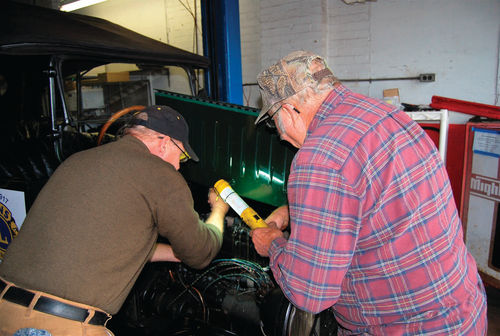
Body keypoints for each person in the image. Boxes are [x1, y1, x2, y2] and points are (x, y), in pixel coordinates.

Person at [251, 51, 488, 335]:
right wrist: (294, 210)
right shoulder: (387, 116)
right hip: (463, 308)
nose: (279, 135)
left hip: (410, 328)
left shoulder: (319, 157)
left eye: (273, 122)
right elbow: (377, 195)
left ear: (288, 111)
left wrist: (273, 244)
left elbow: (310, 293)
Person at [0, 105, 229, 336]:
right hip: (61, 326)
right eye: (181, 155)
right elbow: (201, 253)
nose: (179, 165)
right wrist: (218, 211)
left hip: (6, 311)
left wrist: (175, 253)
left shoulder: (78, 160)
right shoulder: (161, 173)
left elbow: (107, 241)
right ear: (164, 142)